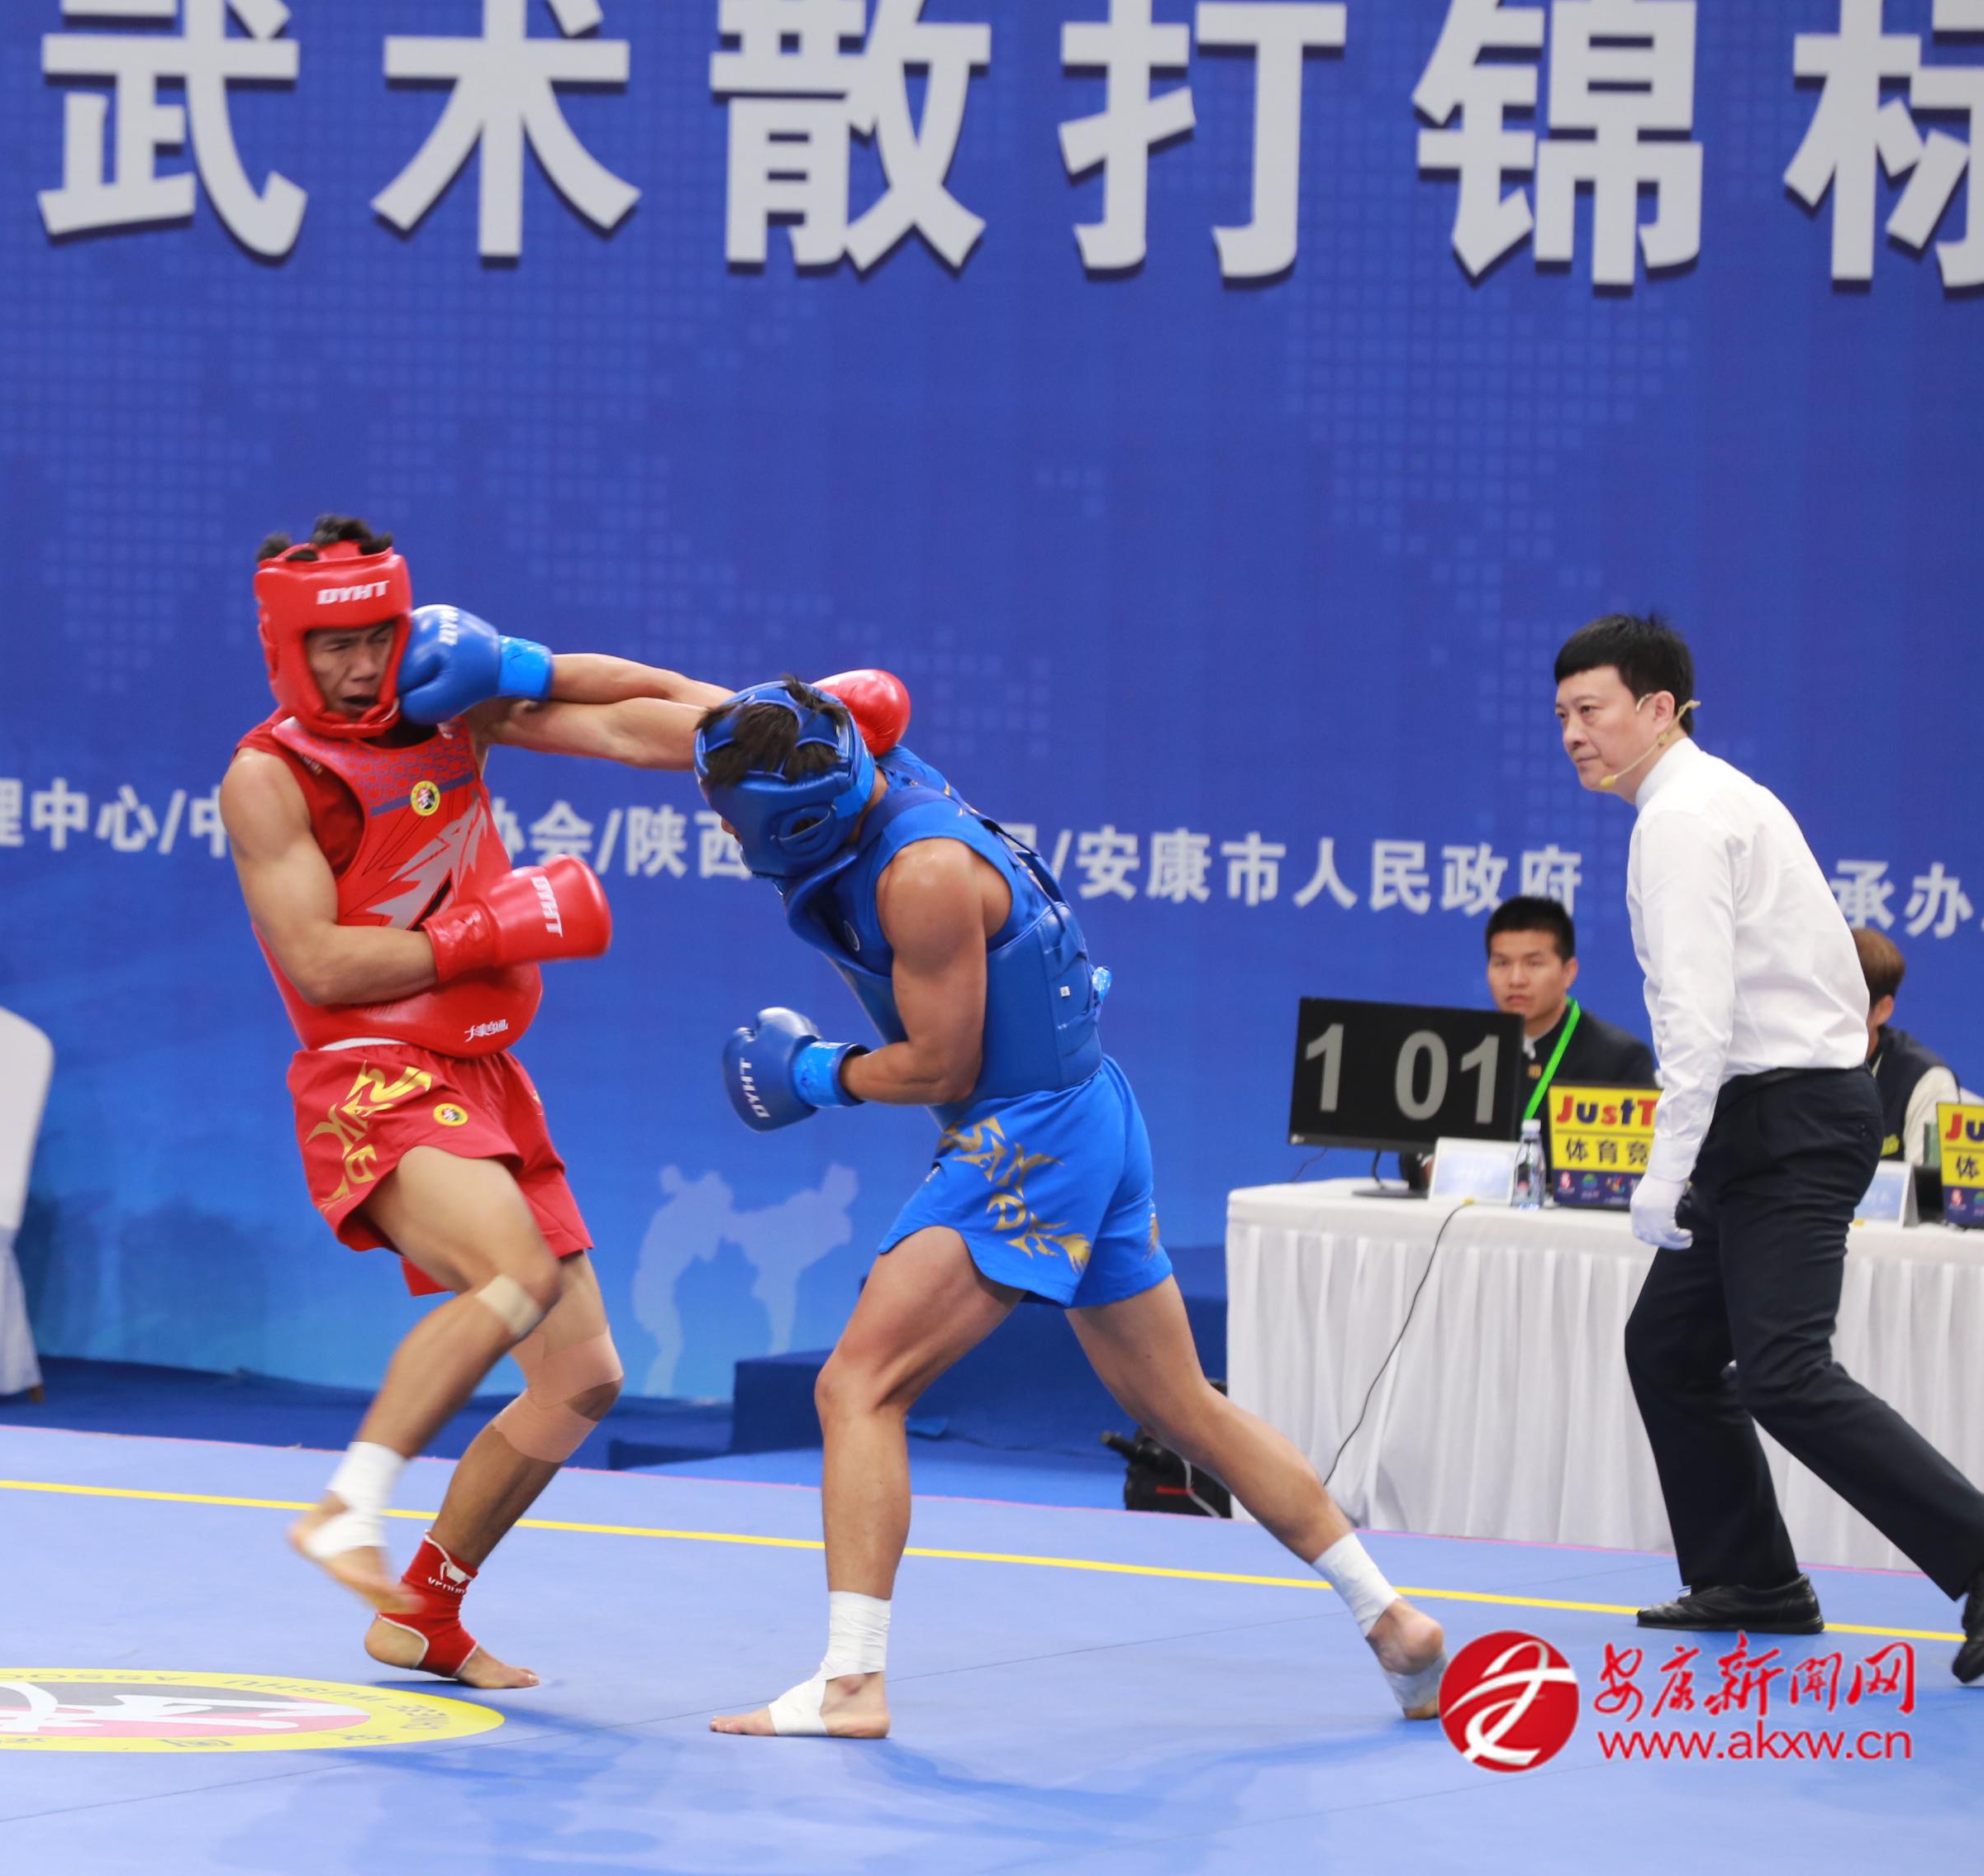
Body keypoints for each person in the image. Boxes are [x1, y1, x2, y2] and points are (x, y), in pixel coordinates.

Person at [690, 677, 1446, 1739]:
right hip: (1088, 1113)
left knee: (858, 1384)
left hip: (1031, 1136)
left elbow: (941, 1064)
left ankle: (852, 1682)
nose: (724, 835)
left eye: (732, 822)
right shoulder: (848, 759)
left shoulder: (922, 875)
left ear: (796, 820)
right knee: (1182, 1405)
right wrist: (523, 680)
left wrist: (817, 1071)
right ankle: (1393, 1619)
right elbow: (663, 711)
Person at [221, 517, 722, 1688]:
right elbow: (321, 964)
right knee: (514, 1273)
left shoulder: (450, 705)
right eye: (334, 646)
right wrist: (493, 927)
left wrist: (760, 720)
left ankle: (426, 1612)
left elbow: (623, 722)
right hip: (370, 1074)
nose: (361, 666)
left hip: (484, 1074)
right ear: (287, 649)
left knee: (582, 1376)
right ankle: (349, 1506)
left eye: (377, 638)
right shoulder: (269, 777)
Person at [1554, 611, 1984, 1680]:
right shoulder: (1712, 798)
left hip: (1788, 1118)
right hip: (1768, 1115)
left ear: (1659, 708)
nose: (1574, 734)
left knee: (1783, 1371)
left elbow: (1697, 1014)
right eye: (1561, 715)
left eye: (1591, 709)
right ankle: (1753, 1578)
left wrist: (1663, 1168)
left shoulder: (1683, 818)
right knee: (1670, 1347)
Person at [1397, 895, 1656, 1191]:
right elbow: (1413, 1146)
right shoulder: (1462, 1049)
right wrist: (1432, 1165)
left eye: (1534, 964)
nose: (1516, 979)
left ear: (1568, 972)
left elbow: (1630, 1169)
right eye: (1502, 963)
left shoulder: (1619, 1058)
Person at [1849, 929, 1969, 1221]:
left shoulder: (1927, 1081)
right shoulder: (1786, 1062)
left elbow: (1928, 1199)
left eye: (1846, 1003)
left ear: (1882, 1010)